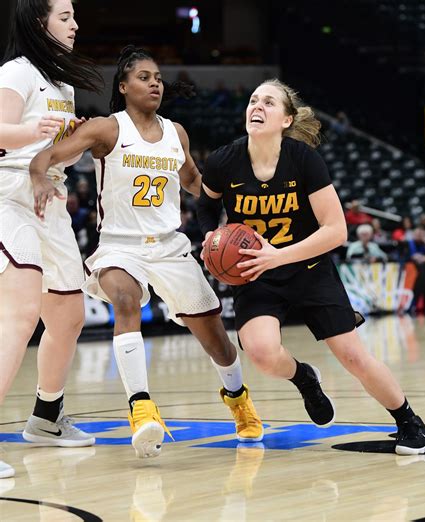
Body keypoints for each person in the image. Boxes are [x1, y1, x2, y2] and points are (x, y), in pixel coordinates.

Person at [29, 45, 263, 459]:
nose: (154, 83)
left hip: (170, 247)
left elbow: (194, 181)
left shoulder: (176, 132)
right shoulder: (107, 129)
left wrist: (237, 199)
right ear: (123, 86)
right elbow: (51, 154)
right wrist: (39, 175)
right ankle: (141, 408)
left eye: (157, 77)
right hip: (120, 247)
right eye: (144, 77)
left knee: (217, 340)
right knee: (125, 299)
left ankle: (238, 398)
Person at [197, 78, 425, 455]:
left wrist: (279, 255)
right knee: (260, 353)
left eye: (268, 102)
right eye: (254, 100)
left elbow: (336, 230)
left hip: (309, 267)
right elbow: (206, 206)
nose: (256, 106)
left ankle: (408, 419)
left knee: (353, 355)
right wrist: (211, 236)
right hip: (257, 274)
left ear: (286, 120)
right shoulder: (224, 161)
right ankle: (305, 378)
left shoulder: (303, 160)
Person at [0, 0, 103, 479]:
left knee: (68, 314)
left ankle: (46, 418)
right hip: (11, 197)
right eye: (65, 16)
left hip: (52, 201)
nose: (75, 23)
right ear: (39, 22)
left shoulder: (60, 84)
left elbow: (49, 150)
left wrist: (72, 140)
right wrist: (27, 132)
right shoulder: (17, 73)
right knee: (19, 314)